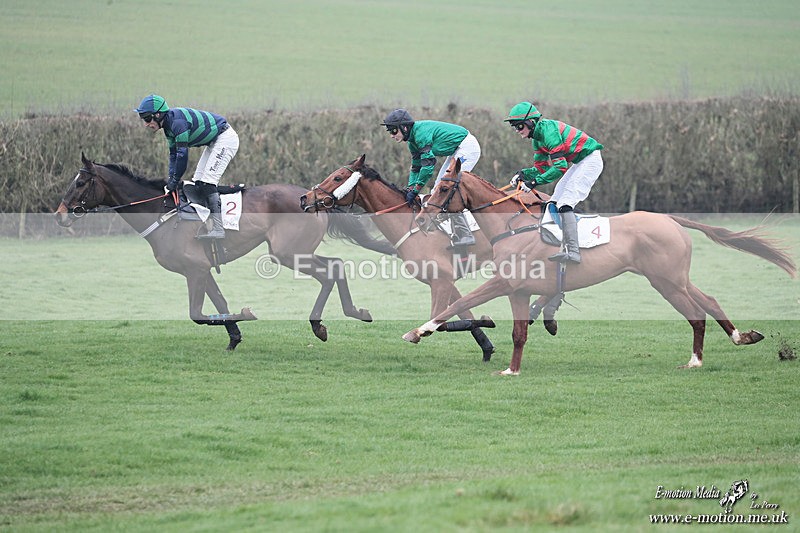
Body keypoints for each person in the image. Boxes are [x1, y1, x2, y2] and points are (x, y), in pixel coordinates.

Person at [505, 101, 604, 263]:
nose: (517, 130)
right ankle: (563, 241)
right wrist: (524, 174)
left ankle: (574, 251)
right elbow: (542, 168)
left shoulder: (549, 132)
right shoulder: (537, 139)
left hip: (590, 160)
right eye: (514, 127)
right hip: (579, 162)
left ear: (531, 122)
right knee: (554, 201)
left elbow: (560, 167)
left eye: (519, 126)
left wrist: (533, 183)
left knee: (565, 203)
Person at [134, 94, 239, 239]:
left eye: (147, 119)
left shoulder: (177, 124)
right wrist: (171, 179)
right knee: (198, 183)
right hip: (215, 141)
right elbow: (173, 156)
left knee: (208, 182)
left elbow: (182, 156)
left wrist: (174, 181)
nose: (146, 124)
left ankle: (219, 229)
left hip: (225, 139)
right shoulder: (168, 128)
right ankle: (207, 222)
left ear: (158, 115)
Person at [380, 109, 481, 248]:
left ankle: (465, 233)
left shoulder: (420, 134)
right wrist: (410, 187)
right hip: (456, 150)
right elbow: (416, 167)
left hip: (467, 148)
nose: (391, 135)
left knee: (446, 189)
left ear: (404, 127)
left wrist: (416, 189)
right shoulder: (412, 141)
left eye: (393, 131)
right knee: (436, 189)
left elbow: (428, 167)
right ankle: (447, 227)